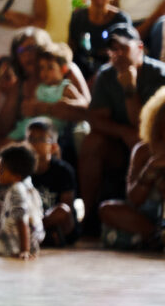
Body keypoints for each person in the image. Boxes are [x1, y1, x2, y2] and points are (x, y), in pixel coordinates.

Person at [80, 23, 165, 236]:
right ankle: (87, 219)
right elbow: (96, 119)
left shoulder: (159, 75)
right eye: (112, 50)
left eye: (122, 48)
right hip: (120, 144)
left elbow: (145, 128)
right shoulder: (106, 74)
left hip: (154, 145)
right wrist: (122, 132)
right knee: (92, 142)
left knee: (142, 144)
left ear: (139, 48)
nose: (117, 54)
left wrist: (129, 88)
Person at [99, 86, 165, 249]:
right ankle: (156, 236)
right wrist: (149, 172)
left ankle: (150, 239)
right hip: (145, 218)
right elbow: (134, 199)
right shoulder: (143, 151)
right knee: (108, 209)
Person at [70, 0, 132, 80]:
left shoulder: (121, 19)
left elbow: (123, 55)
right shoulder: (78, 17)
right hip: (82, 73)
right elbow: (72, 48)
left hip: (112, 74)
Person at [26, 118, 78, 246]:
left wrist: (39, 222)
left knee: (62, 211)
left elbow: (67, 206)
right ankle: (39, 236)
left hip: (54, 224)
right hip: (31, 220)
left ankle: (32, 233)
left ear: (53, 146)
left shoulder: (63, 170)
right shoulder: (23, 169)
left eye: (40, 140)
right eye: (31, 139)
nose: (34, 144)